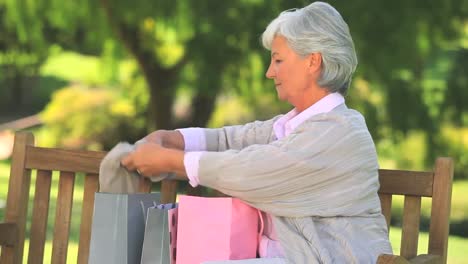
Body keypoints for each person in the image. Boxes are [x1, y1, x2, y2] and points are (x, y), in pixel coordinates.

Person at [121, 1, 392, 263]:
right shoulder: (294, 126)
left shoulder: (340, 133)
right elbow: (231, 140)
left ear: (312, 62)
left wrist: (167, 160)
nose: (269, 72)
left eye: (278, 60)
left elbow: (251, 170)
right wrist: (171, 138)